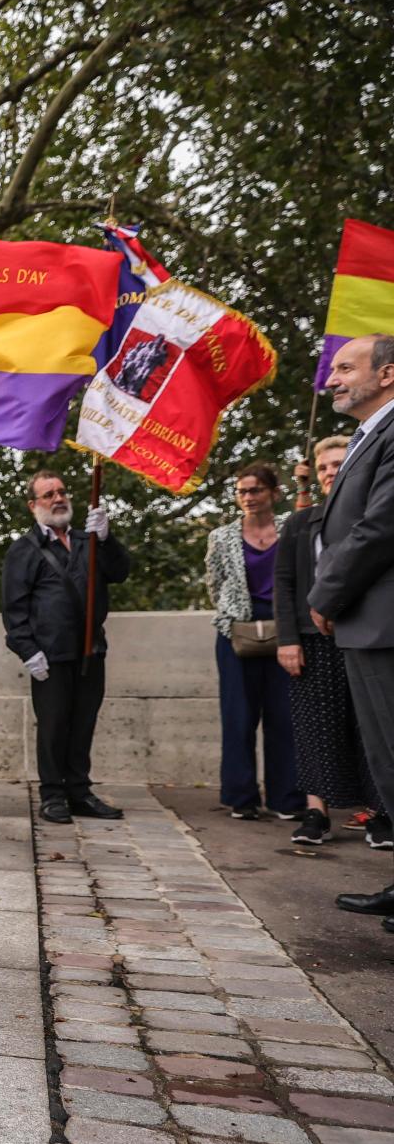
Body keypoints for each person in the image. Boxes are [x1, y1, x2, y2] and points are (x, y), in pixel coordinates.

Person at [311, 335, 394, 933]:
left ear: (387, 374)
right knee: (385, 761)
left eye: (346, 367)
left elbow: (377, 529)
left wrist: (324, 593)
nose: (331, 379)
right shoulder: (370, 437)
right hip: (367, 624)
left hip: (382, 622)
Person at [1, 470, 130, 824]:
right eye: (48, 495)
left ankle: (79, 791)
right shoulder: (24, 549)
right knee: (54, 725)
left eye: (61, 492)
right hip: (50, 654)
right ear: (33, 505)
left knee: (83, 722)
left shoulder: (89, 540)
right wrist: (27, 651)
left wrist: (106, 539)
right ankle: (52, 794)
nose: (58, 499)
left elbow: (120, 572)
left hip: (90, 649)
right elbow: (14, 610)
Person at [277, 436, 386, 847]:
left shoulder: (374, 517)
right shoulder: (300, 522)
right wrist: (288, 639)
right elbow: (284, 583)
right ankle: (316, 813)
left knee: (371, 728)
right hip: (311, 641)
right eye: (323, 467)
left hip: (366, 635)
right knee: (314, 728)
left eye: (338, 464)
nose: (329, 473)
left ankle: (380, 814)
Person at [206, 462, 300, 820]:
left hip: (285, 631)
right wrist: (234, 614)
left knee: (283, 715)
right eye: (242, 491)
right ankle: (241, 797)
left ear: (274, 493)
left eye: (256, 490)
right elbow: (215, 584)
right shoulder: (221, 536)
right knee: (238, 716)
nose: (248, 497)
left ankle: (286, 798)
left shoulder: (291, 528)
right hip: (236, 634)